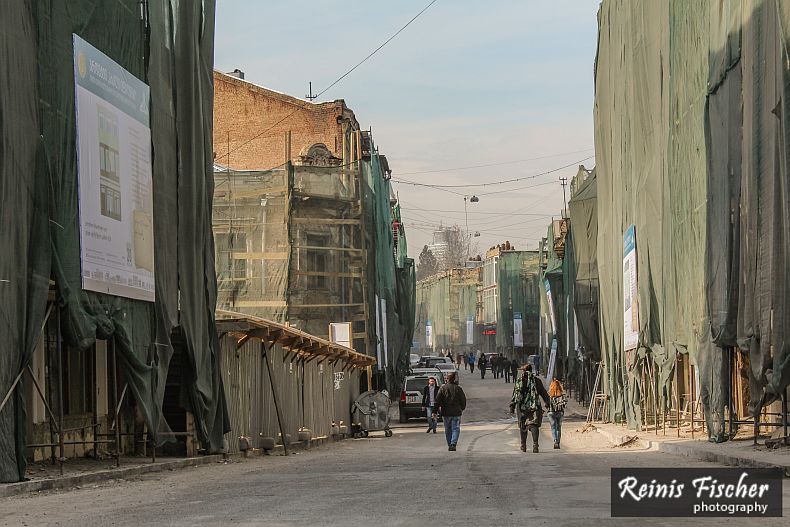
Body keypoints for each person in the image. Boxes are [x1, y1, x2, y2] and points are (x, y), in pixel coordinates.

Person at [509, 363, 550, 453]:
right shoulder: (537, 381)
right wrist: (547, 403)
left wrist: (512, 406)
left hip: (522, 408)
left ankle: (523, 445)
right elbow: (543, 393)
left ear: (523, 371)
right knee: (534, 425)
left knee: (523, 426)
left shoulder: (519, 381)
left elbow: (515, 394)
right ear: (532, 371)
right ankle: (535, 445)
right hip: (534, 407)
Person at [434, 371, 466, 451]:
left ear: (446, 379)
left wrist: (434, 411)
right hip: (456, 412)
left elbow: (437, 401)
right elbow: (463, 400)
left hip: (446, 412)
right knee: (455, 428)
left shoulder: (442, 388)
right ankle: (453, 443)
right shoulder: (458, 388)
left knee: (448, 429)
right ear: (454, 379)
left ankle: (450, 444)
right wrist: (461, 408)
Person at [547, 378, 568, 449]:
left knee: (553, 427)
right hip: (560, 412)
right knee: (558, 427)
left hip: (551, 413)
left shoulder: (549, 395)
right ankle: (558, 442)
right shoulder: (562, 395)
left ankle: (555, 441)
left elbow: (546, 404)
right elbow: (565, 404)